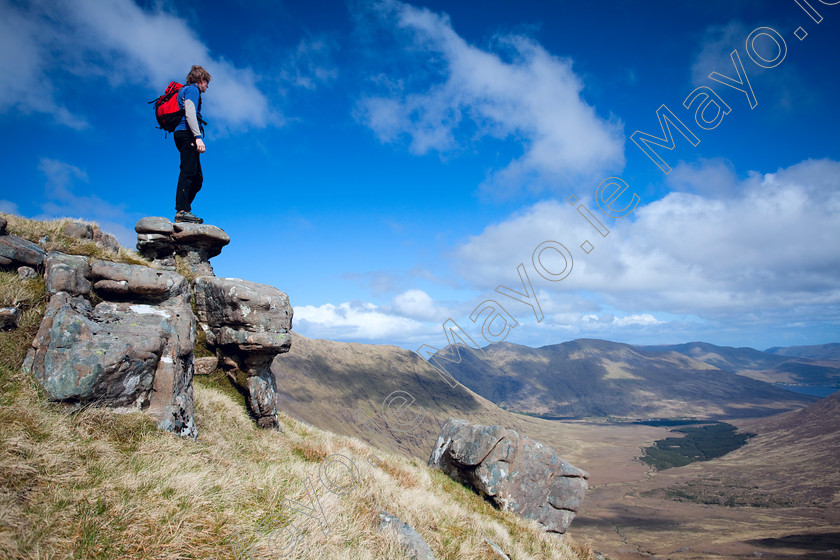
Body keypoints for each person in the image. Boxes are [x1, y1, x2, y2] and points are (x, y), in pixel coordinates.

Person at [173, 65, 211, 224]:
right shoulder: (192, 90)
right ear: (201, 80)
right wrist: (197, 137)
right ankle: (182, 211)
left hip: (184, 134)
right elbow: (190, 112)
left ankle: (185, 210)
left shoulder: (185, 90)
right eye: (207, 82)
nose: (207, 86)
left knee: (197, 178)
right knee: (188, 172)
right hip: (186, 133)